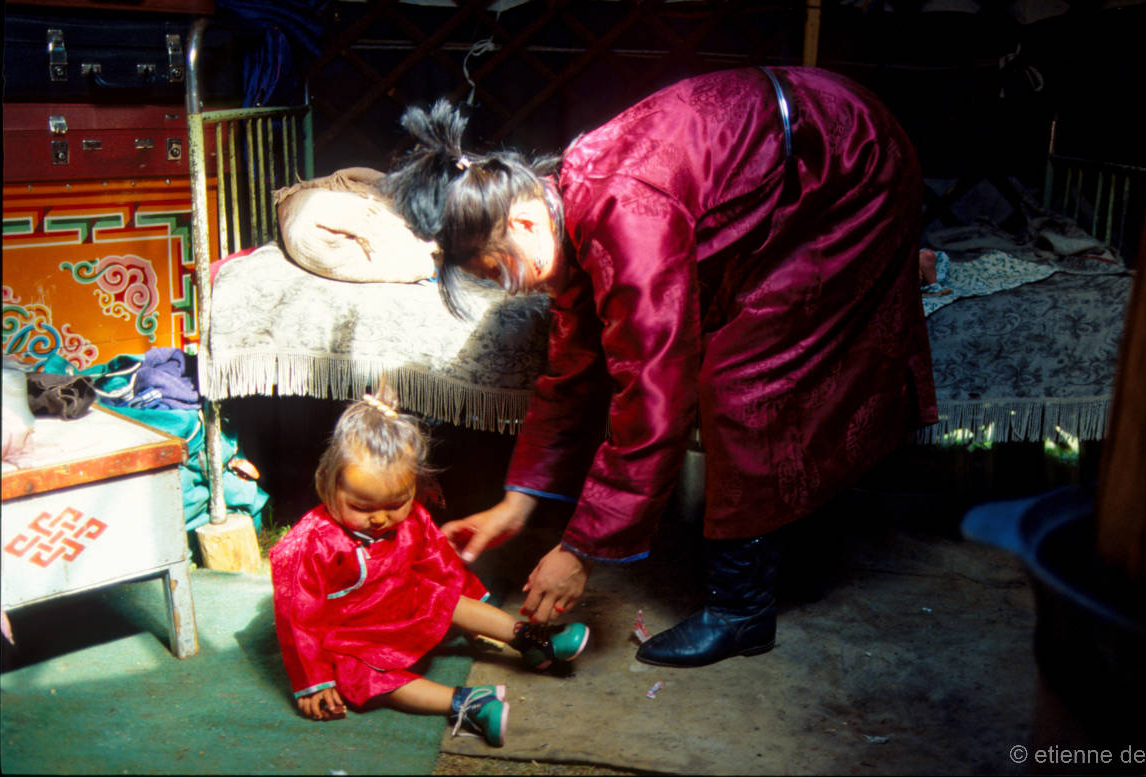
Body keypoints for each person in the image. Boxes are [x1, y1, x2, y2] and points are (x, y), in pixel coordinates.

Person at [384, 66, 937, 668]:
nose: (508, 289)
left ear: (521, 221)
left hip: (849, 166)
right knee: (684, 338)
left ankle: (741, 611)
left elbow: (654, 392)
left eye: (497, 271)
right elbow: (575, 366)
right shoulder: (561, 202)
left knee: (741, 382)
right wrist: (516, 503)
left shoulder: (627, 215)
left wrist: (581, 550)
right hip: (792, 152)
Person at [268, 386, 590, 746]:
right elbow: (298, 617)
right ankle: (467, 702)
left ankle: (531, 639)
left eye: (395, 503)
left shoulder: (413, 519)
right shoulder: (306, 545)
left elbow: (442, 566)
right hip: (351, 638)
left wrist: (476, 609)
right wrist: (313, 681)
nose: (379, 519)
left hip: (402, 608)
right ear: (327, 483)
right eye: (361, 507)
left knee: (441, 593)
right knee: (356, 677)